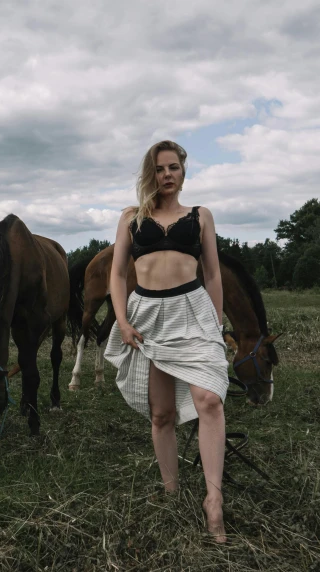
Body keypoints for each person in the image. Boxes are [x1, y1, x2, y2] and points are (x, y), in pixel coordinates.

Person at [104, 140, 229, 543]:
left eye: (174, 168)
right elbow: (118, 275)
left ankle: (214, 499)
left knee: (208, 399)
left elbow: (212, 275)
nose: (168, 175)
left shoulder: (201, 216)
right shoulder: (130, 218)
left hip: (192, 314)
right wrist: (122, 321)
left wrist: (216, 324)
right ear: (151, 174)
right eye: (160, 169)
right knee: (161, 416)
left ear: (183, 172)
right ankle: (171, 490)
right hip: (148, 318)